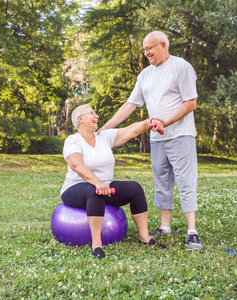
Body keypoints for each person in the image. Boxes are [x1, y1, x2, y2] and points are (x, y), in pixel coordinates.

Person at [98, 30, 203, 251]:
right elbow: (130, 105)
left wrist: (165, 121)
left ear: (163, 45)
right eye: (144, 49)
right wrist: (106, 127)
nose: (146, 53)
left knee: (185, 182)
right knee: (162, 183)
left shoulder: (181, 67)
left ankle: (192, 231)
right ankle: (165, 227)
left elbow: (190, 103)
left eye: (150, 48)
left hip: (181, 135)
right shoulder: (144, 75)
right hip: (157, 139)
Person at [61, 104, 166, 259]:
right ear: (80, 119)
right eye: (92, 113)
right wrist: (98, 183)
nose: (96, 116)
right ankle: (96, 244)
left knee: (135, 188)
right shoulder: (73, 141)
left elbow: (129, 130)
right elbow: (76, 165)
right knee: (94, 191)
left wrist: (147, 123)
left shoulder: (104, 137)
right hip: (75, 189)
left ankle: (145, 237)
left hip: (104, 186)